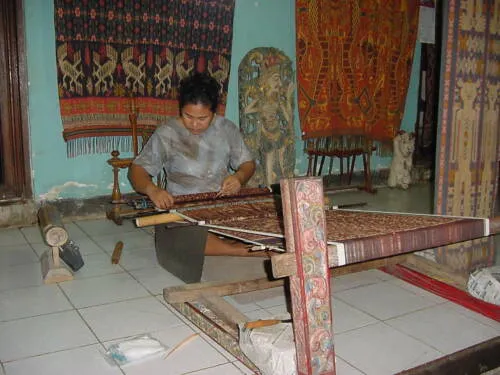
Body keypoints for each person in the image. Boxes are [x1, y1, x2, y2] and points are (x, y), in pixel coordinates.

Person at [128, 72, 259, 256]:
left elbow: (248, 164)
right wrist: (153, 190)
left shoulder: (226, 128)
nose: (195, 125)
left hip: (219, 206)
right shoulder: (168, 133)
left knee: (262, 221)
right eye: (188, 116)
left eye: (202, 118)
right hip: (182, 210)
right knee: (184, 235)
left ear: (214, 112)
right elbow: (137, 170)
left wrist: (239, 177)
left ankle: (233, 242)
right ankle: (242, 250)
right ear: (180, 109)